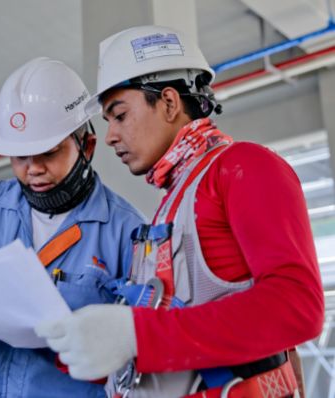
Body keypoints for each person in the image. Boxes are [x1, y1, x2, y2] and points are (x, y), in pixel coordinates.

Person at [35, 26, 324, 398]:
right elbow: (169, 329)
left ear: (169, 103)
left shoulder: (243, 167)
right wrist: (91, 342)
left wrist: (136, 335)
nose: (109, 136)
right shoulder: (172, 205)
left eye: (119, 115)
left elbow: (297, 305)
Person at [0, 57, 147, 398]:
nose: (32, 169)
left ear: (87, 146)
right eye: (20, 156)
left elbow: (142, 343)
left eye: (48, 153)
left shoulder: (127, 232)